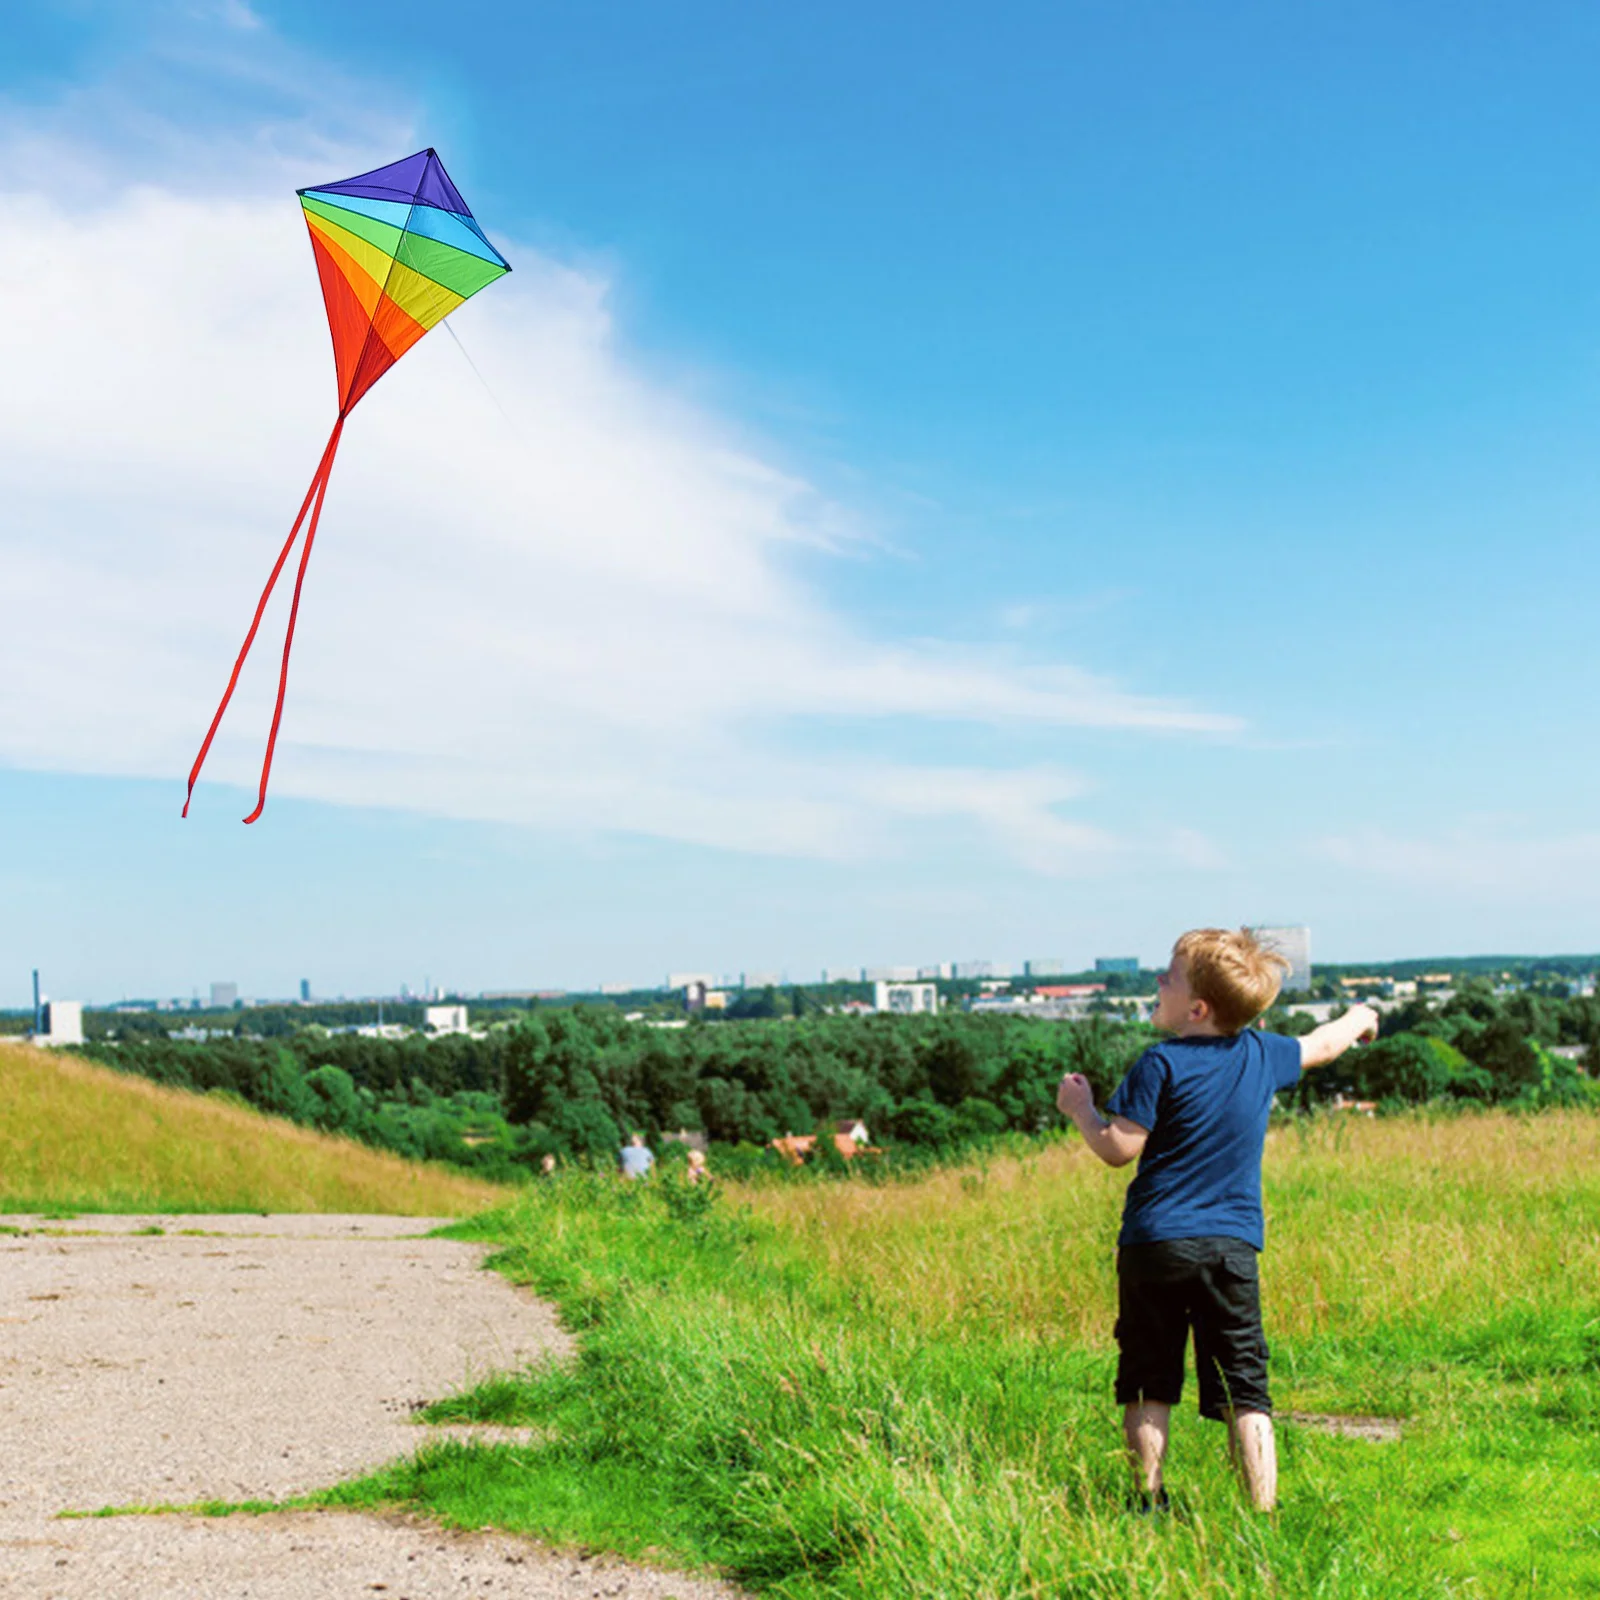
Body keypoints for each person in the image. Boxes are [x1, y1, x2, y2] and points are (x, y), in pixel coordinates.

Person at [1055, 927, 1378, 1514]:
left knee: (1149, 1382)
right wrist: (1361, 1016)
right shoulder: (1262, 1055)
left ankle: (1148, 1503)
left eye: (1169, 977)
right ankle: (1261, 1513)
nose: (1158, 981)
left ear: (1197, 1008)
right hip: (1230, 1248)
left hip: (1154, 1245)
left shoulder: (1160, 1063)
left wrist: (1081, 1110)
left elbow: (1118, 1149)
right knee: (1244, 1390)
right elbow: (1324, 1045)